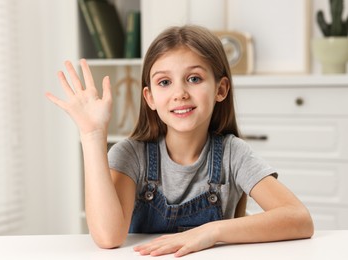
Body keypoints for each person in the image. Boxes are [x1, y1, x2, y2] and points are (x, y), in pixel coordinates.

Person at [45, 25, 314, 257]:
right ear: (149, 98)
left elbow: (299, 219)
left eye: (194, 79)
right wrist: (92, 135)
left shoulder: (234, 154)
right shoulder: (131, 155)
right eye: (164, 82)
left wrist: (211, 232)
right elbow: (108, 237)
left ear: (220, 89)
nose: (180, 93)